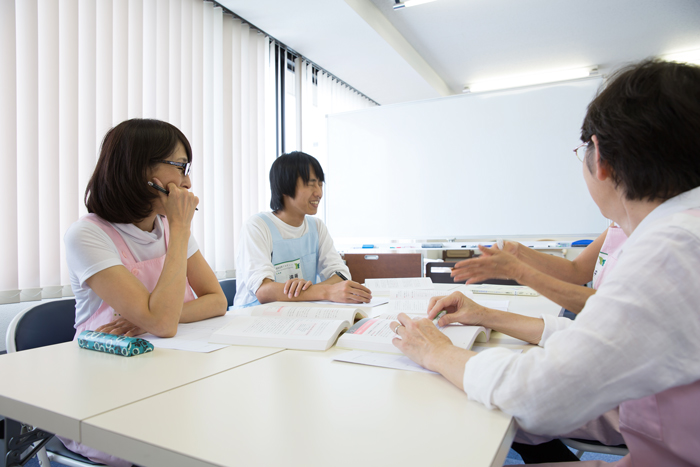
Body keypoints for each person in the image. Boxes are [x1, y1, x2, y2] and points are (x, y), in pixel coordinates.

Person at [391, 59, 700, 466]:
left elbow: (538, 395)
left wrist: (437, 353)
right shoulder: (673, 230)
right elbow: (597, 331)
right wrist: (486, 314)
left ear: (601, 157)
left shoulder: (672, 248)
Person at [62, 118, 227, 466]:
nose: (188, 181)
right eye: (180, 167)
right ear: (140, 170)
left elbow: (216, 300)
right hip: (107, 388)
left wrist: (148, 319)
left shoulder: (168, 227)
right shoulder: (88, 235)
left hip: (168, 369)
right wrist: (180, 227)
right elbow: (164, 324)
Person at [234, 151, 371, 308]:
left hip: (298, 315)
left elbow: (341, 274)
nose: (319, 193)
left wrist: (313, 292)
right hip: (253, 318)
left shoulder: (316, 227)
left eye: (320, 184)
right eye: (311, 184)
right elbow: (264, 291)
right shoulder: (257, 227)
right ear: (285, 186)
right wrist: (327, 292)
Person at [450, 223, 627, 314]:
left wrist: (518, 271)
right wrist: (518, 252)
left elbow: (613, 305)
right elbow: (576, 270)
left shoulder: (647, 234)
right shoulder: (618, 224)